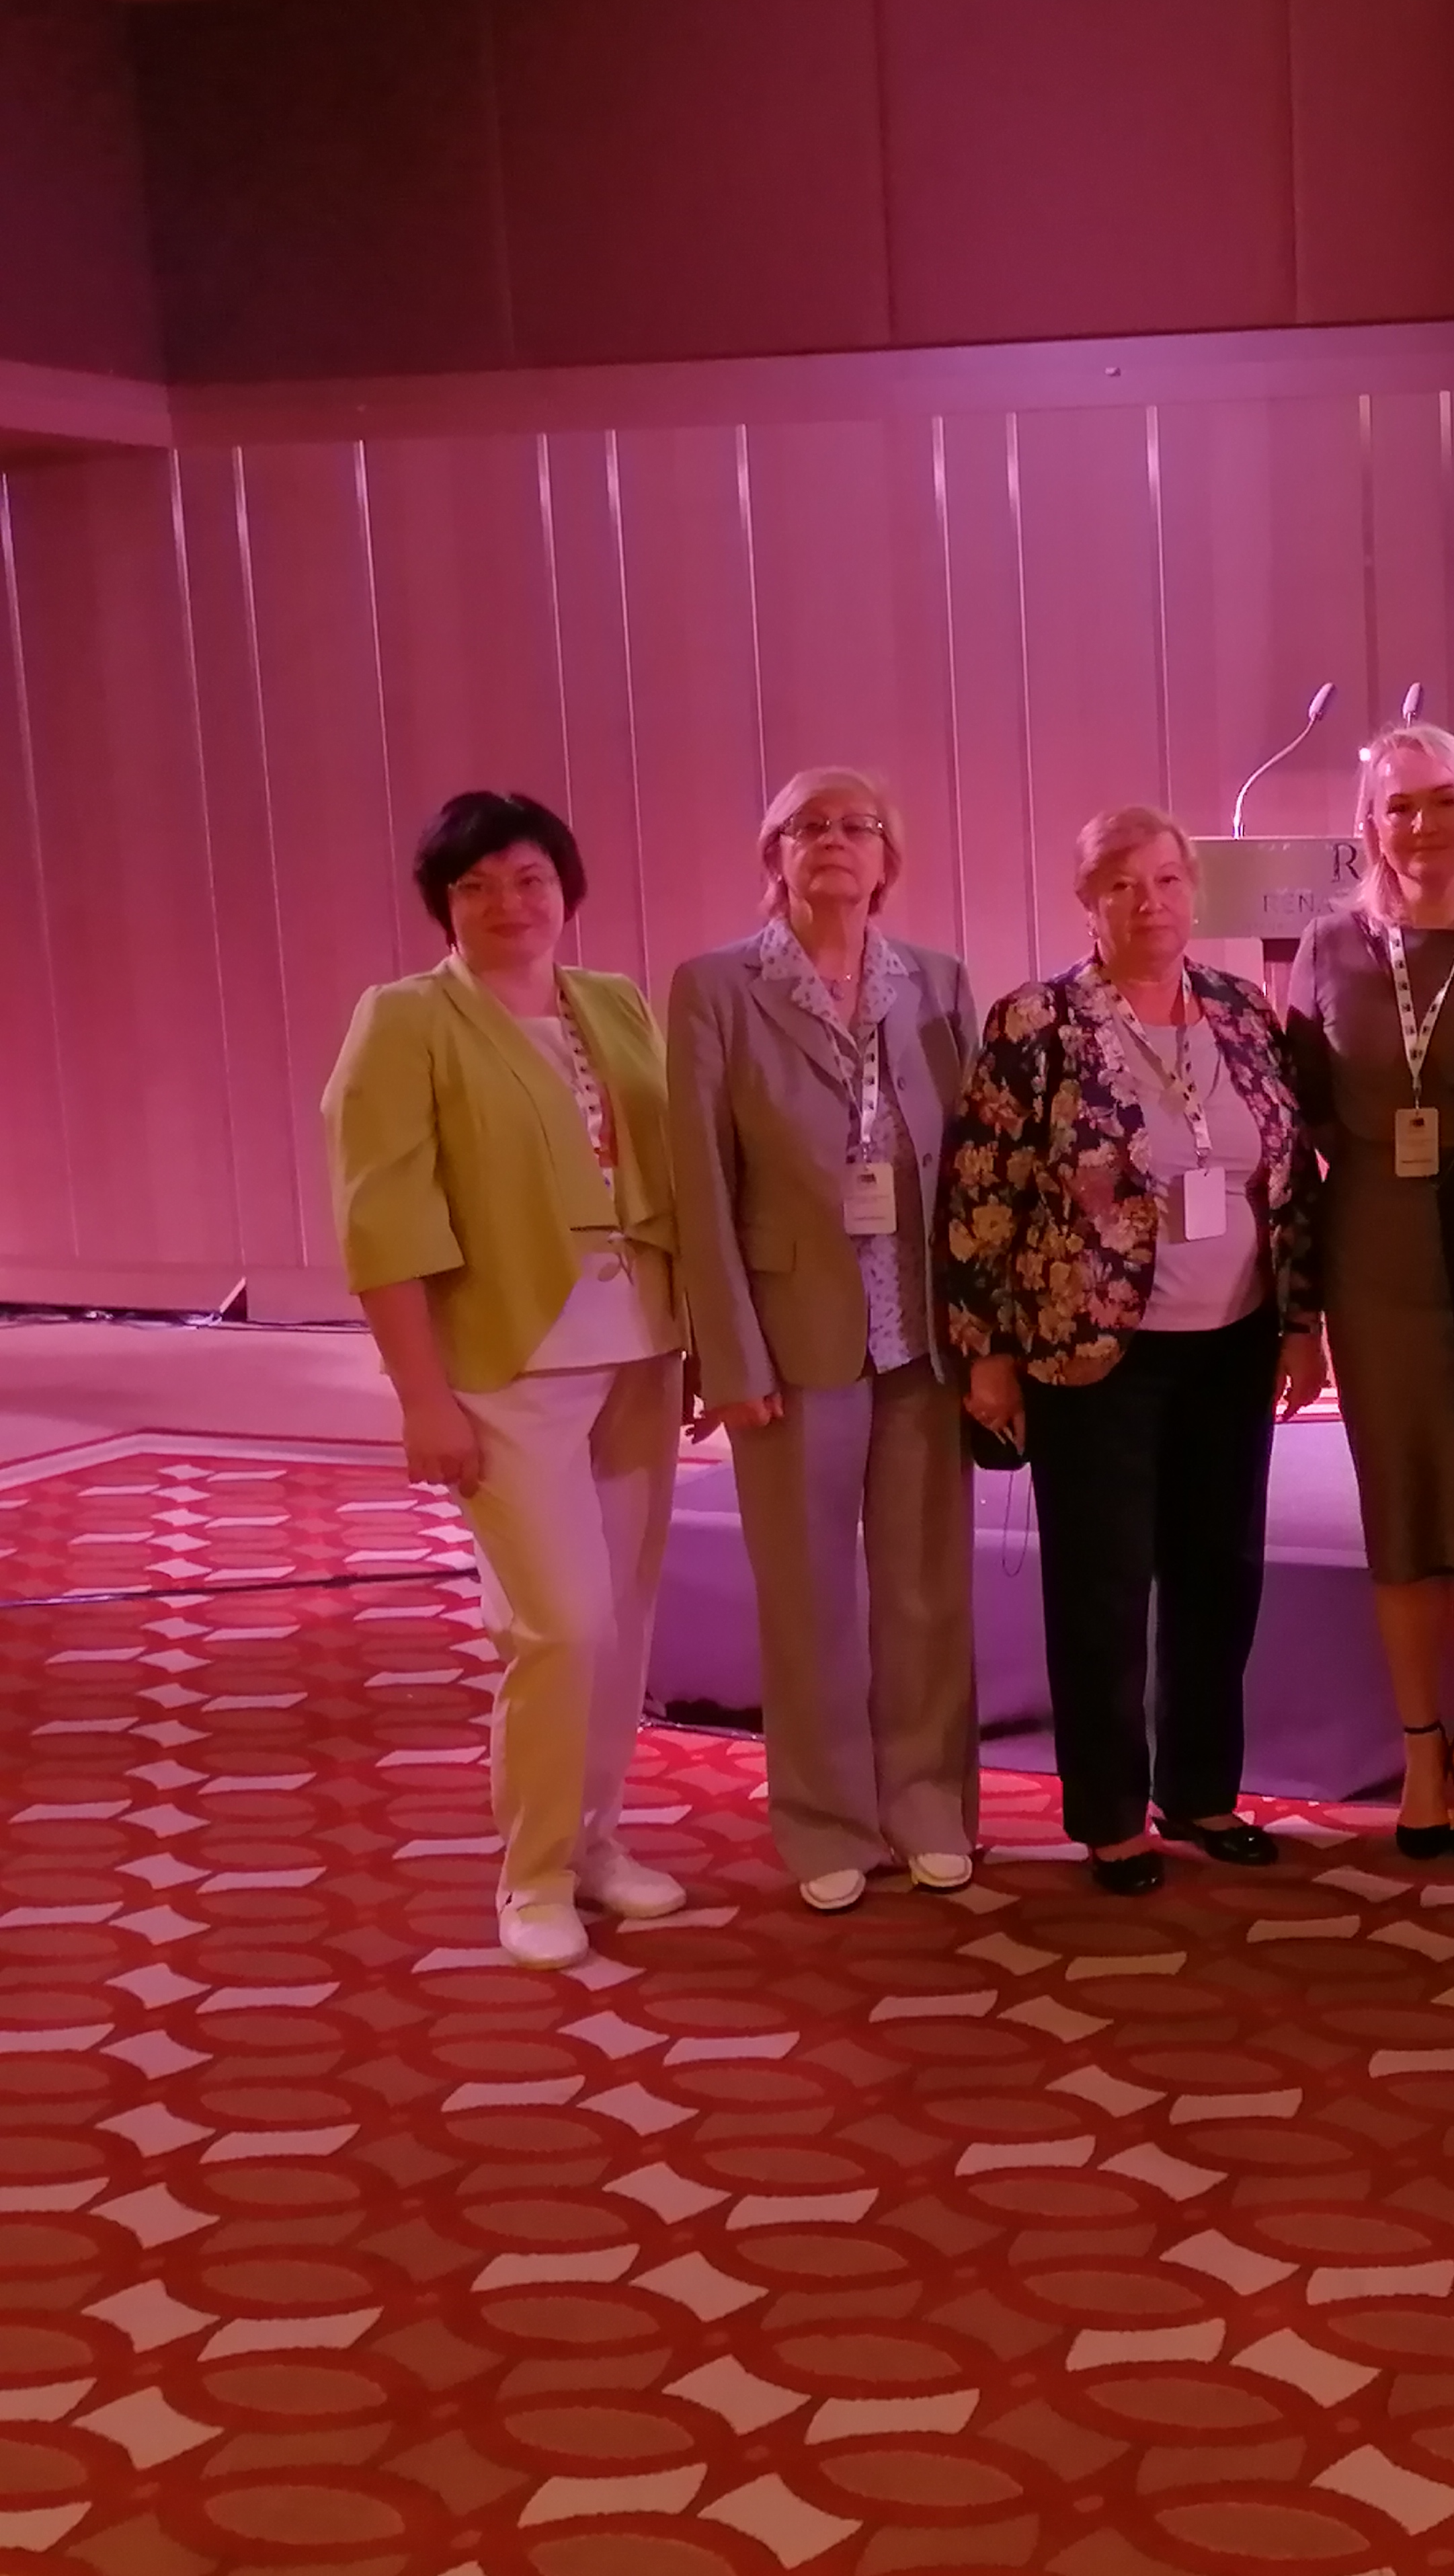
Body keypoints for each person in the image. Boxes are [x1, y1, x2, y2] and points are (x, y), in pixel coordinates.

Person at [321, 791, 691, 1969]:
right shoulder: (406, 1020)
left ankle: (595, 1842)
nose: (507, 903)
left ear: (565, 888)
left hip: (641, 1351)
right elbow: (383, 1224)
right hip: (508, 1362)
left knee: (622, 1624)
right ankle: (530, 1875)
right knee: (560, 1627)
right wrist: (421, 1397)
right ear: (444, 903)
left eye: (529, 878)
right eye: (474, 886)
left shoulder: (613, 1002)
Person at [936, 806, 1326, 1895]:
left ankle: (1200, 1790)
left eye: (1165, 881)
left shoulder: (1243, 1013)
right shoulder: (1039, 1023)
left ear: (1193, 892)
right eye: (1122, 885)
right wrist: (987, 1353)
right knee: (1103, 1589)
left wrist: (1302, 1322)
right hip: (1093, 1350)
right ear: (1088, 903)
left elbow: (1291, 1180)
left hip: (1233, 1340)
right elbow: (981, 1194)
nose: (1148, 904)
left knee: (1219, 1577)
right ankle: (1109, 1813)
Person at [667, 768, 982, 1914]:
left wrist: (984, 1337)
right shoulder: (716, 988)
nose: (836, 842)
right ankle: (825, 1820)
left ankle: (929, 1803)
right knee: (807, 1599)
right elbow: (700, 1185)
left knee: (926, 1593)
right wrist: (728, 1355)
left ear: (889, 858)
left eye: (859, 826)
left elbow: (974, 1173)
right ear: (776, 855)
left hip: (922, 1337)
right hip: (791, 1343)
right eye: (810, 827)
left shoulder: (936, 982)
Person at [1286, 724, 1454, 1858]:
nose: (1422, 825)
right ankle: (1418, 1750)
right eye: (1399, 806)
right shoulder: (1328, 948)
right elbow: (1295, 1124)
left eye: (1444, 800)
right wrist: (1301, 1309)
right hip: (1376, 1264)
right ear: (1371, 826)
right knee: (1401, 1514)